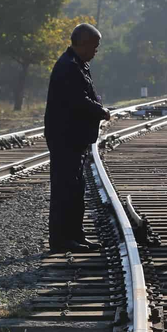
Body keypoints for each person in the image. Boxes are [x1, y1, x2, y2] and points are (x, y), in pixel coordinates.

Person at [44, 23, 111, 254]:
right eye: (95, 46)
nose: (96, 51)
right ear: (82, 43)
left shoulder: (78, 65)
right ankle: (61, 239)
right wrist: (100, 111)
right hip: (65, 138)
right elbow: (77, 100)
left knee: (76, 189)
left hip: (74, 139)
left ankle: (76, 235)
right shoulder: (68, 67)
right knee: (65, 190)